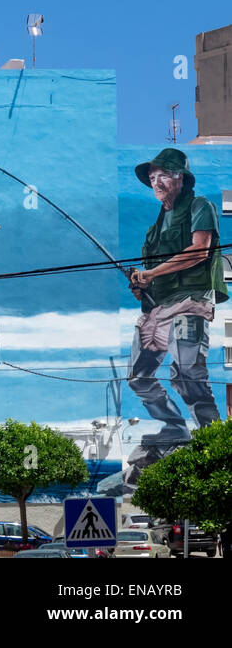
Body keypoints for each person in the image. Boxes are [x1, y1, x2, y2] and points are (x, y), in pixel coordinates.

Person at [127, 148, 226, 441]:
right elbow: (151, 278)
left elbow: (199, 250)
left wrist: (151, 274)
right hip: (157, 309)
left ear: (180, 178)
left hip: (190, 303)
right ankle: (175, 428)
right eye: (153, 177)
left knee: (186, 373)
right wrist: (141, 286)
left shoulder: (200, 206)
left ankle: (213, 440)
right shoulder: (152, 231)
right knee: (138, 378)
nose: (157, 182)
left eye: (164, 176)